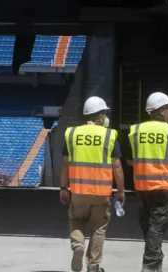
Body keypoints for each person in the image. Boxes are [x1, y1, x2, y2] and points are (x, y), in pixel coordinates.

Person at [60, 96, 126, 272]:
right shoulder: (109, 135)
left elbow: (65, 164)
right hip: (101, 193)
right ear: (99, 116)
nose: (105, 117)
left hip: (79, 191)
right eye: (104, 113)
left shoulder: (72, 134)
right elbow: (117, 165)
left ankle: (78, 246)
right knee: (99, 228)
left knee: (76, 220)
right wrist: (121, 191)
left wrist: (63, 188)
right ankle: (94, 266)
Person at [127, 92, 168, 272]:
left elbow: (130, 160)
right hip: (164, 188)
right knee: (157, 228)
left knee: (150, 226)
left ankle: (156, 264)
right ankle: (150, 265)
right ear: (161, 111)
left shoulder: (135, 131)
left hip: (143, 188)